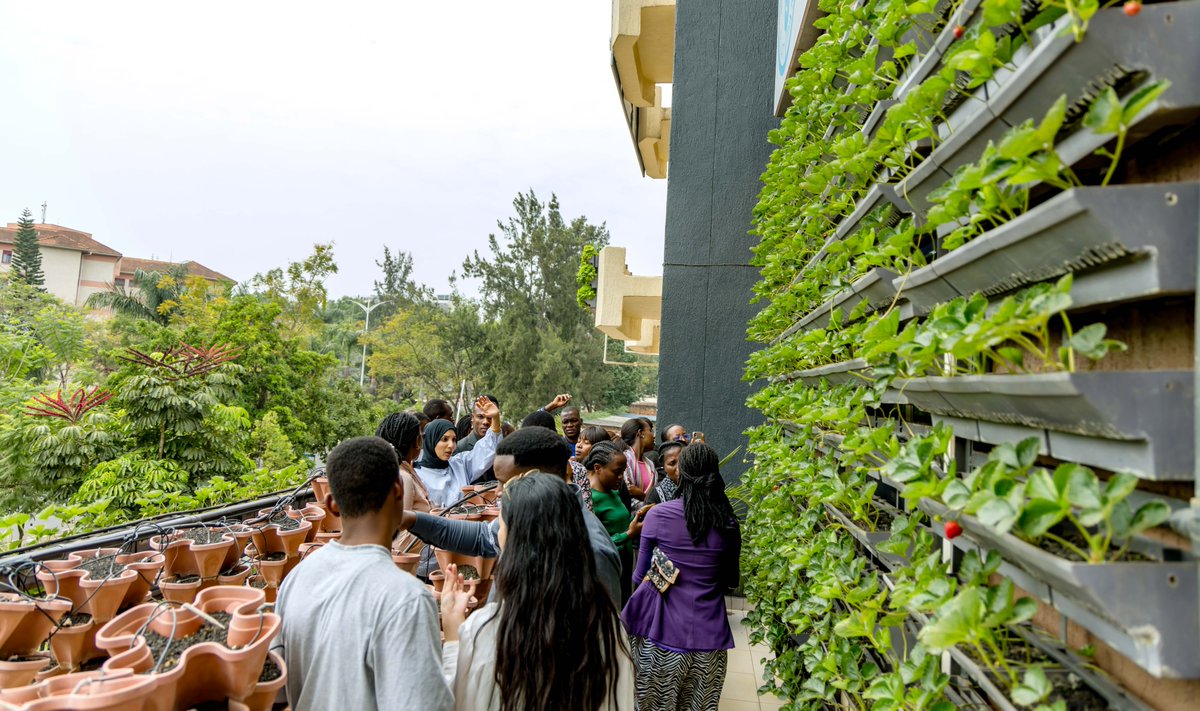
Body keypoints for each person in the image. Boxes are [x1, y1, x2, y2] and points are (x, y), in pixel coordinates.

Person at [272, 436, 471, 710]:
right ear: (399, 490)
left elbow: (277, 692)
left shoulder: (295, 579)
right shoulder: (406, 598)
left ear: (331, 505)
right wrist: (453, 639)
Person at [448, 474, 635, 710]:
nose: (497, 532)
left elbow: (458, 700)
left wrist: (454, 630)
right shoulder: (606, 626)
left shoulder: (488, 628)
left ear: (517, 537)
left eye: (501, 524)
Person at [400, 426, 622, 603]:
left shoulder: (592, 552)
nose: (497, 492)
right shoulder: (526, 516)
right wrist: (412, 519)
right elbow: (482, 537)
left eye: (505, 483)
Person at [621, 442, 741, 711]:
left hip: (661, 641)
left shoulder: (658, 515)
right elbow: (730, 581)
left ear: (682, 474)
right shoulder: (728, 523)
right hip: (711, 644)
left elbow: (639, 576)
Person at [414, 395, 502, 509]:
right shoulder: (417, 475)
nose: (451, 445)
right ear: (431, 441)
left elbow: (487, 449)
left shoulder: (460, 465)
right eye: (444, 439)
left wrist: (495, 419)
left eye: (454, 439)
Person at [586, 440, 645, 603]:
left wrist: (640, 516)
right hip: (606, 570)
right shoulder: (590, 499)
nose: (622, 477)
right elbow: (592, 545)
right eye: (617, 472)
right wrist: (629, 534)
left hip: (623, 566)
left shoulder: (613, 491)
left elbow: (620, 522)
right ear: (598, 468)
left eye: (623, 471)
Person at [571, 425, 613, 512]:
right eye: (578, 441)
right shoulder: (571, 469)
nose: (579, 445)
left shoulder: (608, 478)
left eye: (586, 443)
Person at [621, 418, 657, 507]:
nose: (654, 436)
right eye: (650, 431)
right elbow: (626, 493)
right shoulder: (624, 460)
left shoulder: (650, 465)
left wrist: (640, 493)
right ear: (641, 433)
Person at [645, 439, 683, 505]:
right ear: (664, 467)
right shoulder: (656, 493)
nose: (679, 468)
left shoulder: (698, 487)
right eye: (672, 463)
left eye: (683, 461)